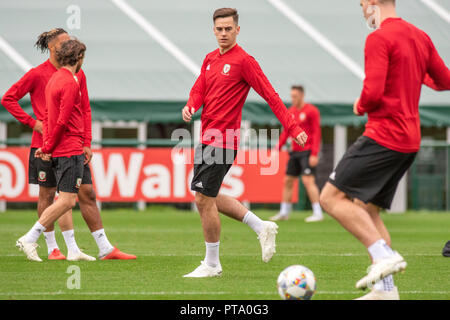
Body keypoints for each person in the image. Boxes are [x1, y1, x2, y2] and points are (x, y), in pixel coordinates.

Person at [319, 0, 450, 300]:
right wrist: (413, 72)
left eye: (363, 3)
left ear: (375, 3)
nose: (362, 8)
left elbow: (373, 92)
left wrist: (359, 105)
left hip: (384, 135)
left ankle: (383, 255)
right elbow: (445, 80)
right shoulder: (420, 36)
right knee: (367, 210)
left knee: (330, 197)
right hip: (409, 141)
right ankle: (386, 291)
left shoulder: (378, 37)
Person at [181, 8, 307, 278]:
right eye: (219, 29)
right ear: (213, 30)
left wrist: (293, 127)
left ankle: (212, 264)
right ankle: (261, 227)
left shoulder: (245, 61)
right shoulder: (209, 59)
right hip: (206, 137)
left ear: (238, 30)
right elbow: (199, 89)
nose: (224, 33)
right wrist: (191, 105)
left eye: (228, 28)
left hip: (224, 139)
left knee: (203, 198)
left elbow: (271, 95)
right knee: (208, 196)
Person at [14, 37, 136, 262]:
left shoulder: (56, 79)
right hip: (69, 148)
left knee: (70, 197)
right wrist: (49, 145)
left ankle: (78, 248)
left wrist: (49, 144)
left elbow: (52, 116)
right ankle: (31, 238)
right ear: (79, 58)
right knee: (67, 200)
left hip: (63, 147)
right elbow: (62, 120)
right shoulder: (69, 82)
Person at [270, 85, 323, 222]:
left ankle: (318, 212)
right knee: (287, 180)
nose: (293, 99)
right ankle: (284, 212)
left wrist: (314, 153)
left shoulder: (312, 111)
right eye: (292, 96)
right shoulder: (291, 111)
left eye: (295, 96)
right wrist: (278, 148)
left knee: (307, 180)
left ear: (302, 95)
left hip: (307, 151)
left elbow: (317, 132)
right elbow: (286, 131)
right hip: (294, 151)